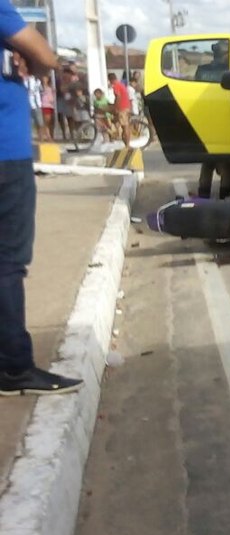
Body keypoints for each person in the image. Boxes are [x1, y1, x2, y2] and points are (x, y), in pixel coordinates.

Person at [0, 0, 83, 395]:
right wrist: (31, 57)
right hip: (5, 155)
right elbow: (45, 56)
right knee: (7, 263)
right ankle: (14, 368)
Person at [108, 72, 130, 146]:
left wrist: (116, 107)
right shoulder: (121, 84)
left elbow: (118, 97)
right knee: (117, 122)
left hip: (122, 107)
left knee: (125, 126)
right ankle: (121, 138)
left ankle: (127, 144)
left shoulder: (116, 86)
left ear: (110, 80)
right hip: (126, 106)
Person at [39, 73, 54, 141]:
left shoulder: (50, 87)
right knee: (45, 121)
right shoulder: (40, 87)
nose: (45, 79)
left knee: (48, 122)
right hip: (44, 105)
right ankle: (47, 136)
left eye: (46, 78)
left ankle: (45, 135)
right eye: (44, 78)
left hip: (50, 105)